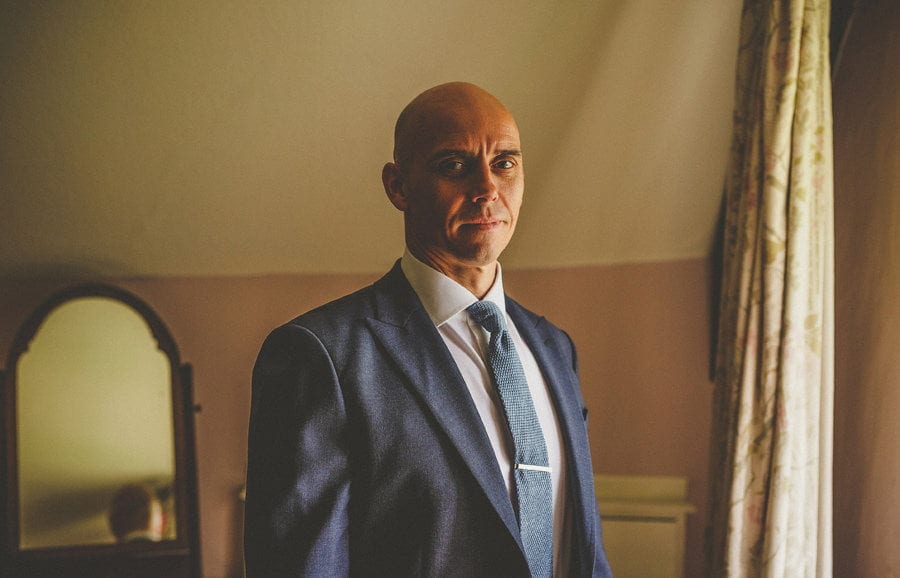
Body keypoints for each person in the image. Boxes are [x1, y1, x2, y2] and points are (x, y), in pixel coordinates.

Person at [244, 82, 612, 577]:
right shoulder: (320, 356)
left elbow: (582, 546)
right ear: (398, 186)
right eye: (454, 165)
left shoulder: (554, 347)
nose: (487, 189)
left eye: (504, 163)